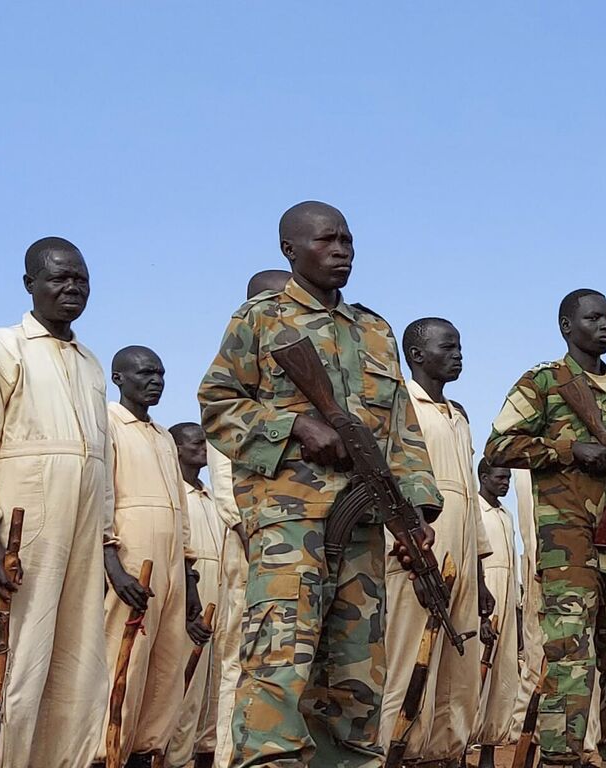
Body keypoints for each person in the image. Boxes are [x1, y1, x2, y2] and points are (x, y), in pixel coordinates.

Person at [198, 201, 441, 767]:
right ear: (290, 250)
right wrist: (293, 426)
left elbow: (401, 429)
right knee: (279, 668)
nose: (341, 251)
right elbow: (217, 404)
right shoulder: (260, 319)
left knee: (355, 679)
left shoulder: (375, 331)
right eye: (326, 240)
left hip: (363, 528)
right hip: (290, 527)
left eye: (348, 240)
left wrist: (418, 511)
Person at [0, 237, 132, 766]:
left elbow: (100, 463)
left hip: (81, 531)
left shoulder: (90, 363)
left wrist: (106, 543)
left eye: (81, 279)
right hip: (21, 525)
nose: (72, 287)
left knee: (78, 663)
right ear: (30, 284)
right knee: (14, 660)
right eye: (59, 278)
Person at [484, 288, 606, 766]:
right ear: (567, 326)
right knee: (571, 658)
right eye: (594, 317)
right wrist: (569, 451)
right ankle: (560, 759)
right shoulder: (545, 382)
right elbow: (499, 446)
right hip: (568, 544)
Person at [377, 317, 487, 767]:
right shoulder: (401, 406)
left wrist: (479, 575)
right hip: (416, 555)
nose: (458, 353)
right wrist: (407, 557)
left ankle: (442, 754)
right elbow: (389, 487)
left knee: (457, 672)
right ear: (417, 355)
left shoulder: (458, 415)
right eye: (449, 346)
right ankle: (388, 752)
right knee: (405, 666)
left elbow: (468, 499)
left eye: (460, 345)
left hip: (461, 557)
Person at [101, 344, 198, 767]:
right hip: (131, 560)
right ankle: (106, 751)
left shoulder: (163, 437)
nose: (154, 380)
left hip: (172, 566)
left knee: (165, 667)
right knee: (123, 661)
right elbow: (101, 497)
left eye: (159, 373)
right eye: (144, 373)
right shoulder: (107, 423)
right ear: (118, 378)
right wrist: (113, 567)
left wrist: (189, 579)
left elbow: (181, 509)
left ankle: (146, 751)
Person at [211, 269, 289, 768]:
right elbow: (226, 479)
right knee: (247, 660)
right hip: (256, 546)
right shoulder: (241, 379)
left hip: (297, 549)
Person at [169, 422, 225, 768]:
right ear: (176, 448)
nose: (204, 446)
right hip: (190, 596)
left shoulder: (213, 499)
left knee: (213, 687)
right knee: (183, 690)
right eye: (197, 442)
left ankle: (205, 754)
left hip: (219, 595)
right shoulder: (175, 494)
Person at [472, 462, 524, 766]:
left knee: (503, 681)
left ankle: (490, 751)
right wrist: (480, 616)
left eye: (508, 478)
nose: (505, 483)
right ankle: (460, 745)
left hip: (507, 599)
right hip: (485, 597)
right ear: (484, 478)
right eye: (500, 477)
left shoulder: (506, 515)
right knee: (475, 678)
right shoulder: (475, 510)